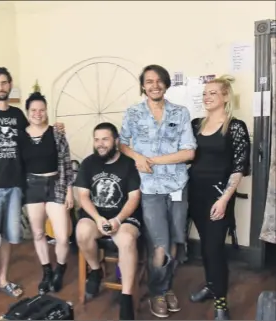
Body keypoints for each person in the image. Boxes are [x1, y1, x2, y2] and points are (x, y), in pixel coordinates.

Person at [0, 67, 65, 309]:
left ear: (10, 85)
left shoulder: (19, 116)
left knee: (11, 237)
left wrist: (57, 129)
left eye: (5, 83)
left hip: (16, 187)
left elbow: (37, 134)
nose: (1, 87)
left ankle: (2, 279)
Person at [119, 64, 197, 318]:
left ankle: (166, 286)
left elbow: (189, 152)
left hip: (177, 186)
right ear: (143, 86)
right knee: (159, 244)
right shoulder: (133, 113)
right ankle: (156, 290)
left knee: (175, 241)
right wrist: (138, 157)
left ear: (165, 84)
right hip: (150, 188)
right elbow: (121, 144)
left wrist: (152, 160)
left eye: (159, 81)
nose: (154, 85)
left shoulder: (181, 112)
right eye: (149, 81)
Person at [188, 75, 250, 320]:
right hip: (196, 194)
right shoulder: (195, 124)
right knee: (205, 245)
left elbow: (238, 168)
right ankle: (211, 285)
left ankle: (221, 303)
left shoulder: (235, 126)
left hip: (218, 196)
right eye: (205, 93)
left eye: (213, 93)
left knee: (214, 248)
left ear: (225, 96)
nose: (207, 97)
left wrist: (224, 199)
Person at [75, 122, 142, 320]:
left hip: (125, 217)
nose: (100, 144)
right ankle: (96, 270)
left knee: (127, 240)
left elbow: (134, 198)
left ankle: (126, 297)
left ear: (116, 141)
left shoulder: (129, 164)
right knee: (82, 231)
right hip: (96, 215)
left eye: (105, 139)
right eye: (96, 140)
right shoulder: (88, 163)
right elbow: (83, 196)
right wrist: (97, 218)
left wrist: (118, 220)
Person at [19, 91, 74, 295]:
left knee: (61, 236)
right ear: (27, 112)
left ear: (46, 112)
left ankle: (60, 268)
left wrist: (69, 190)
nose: (38, 113)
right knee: (38, 233)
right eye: (33, 110)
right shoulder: (20, 136)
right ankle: (47, 272)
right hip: (31, 186)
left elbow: (67, 163)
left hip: (56, 184)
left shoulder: (57, 133)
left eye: (41, 110)